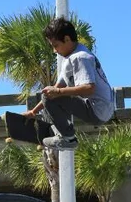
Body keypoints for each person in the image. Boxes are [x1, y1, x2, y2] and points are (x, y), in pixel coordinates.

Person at [24, 17, 114, 149]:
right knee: (50, 95)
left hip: (97, 109)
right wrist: (33, 111)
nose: (55, 51)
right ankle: (61, 131)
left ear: (66, 39)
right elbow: (54, 90)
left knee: (52, 96)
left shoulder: (80, 57)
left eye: (56, 46)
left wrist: (59, 92)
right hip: (99, 108)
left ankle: (68, 138)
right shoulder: (72, 56)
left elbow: (89, 88)